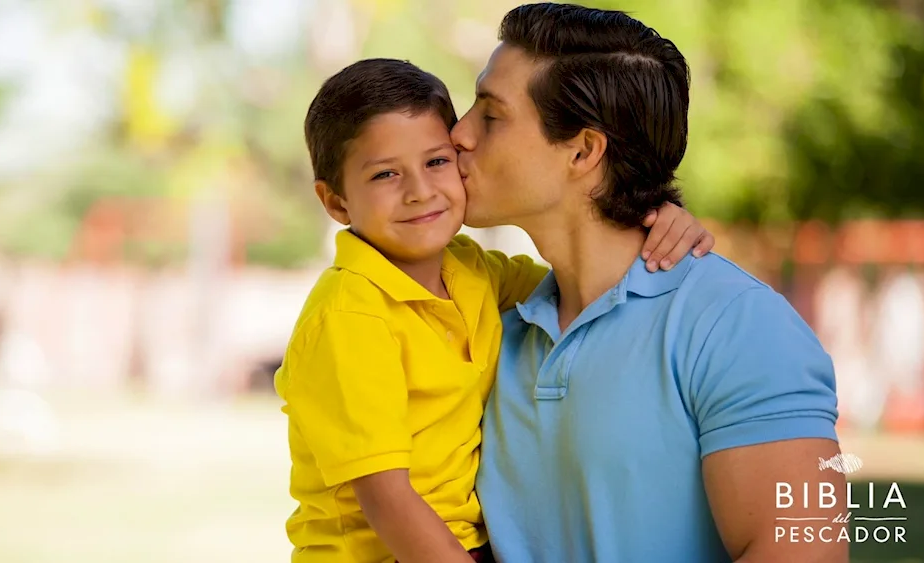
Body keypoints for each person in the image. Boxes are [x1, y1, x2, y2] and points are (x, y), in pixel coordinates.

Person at [274, 57, 714, 563]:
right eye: (386, 174)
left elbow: (587, 274)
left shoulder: (473, 271)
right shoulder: (350, 318)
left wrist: (661, 221)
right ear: (336, 203)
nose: (420, 191)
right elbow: (388, 500)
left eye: (436, 162)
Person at [452, 4, 847, 562]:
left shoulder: (735, 325)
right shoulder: (493, 318)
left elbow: (804, 554)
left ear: (584, 151)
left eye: (490, 116)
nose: (459, 134)